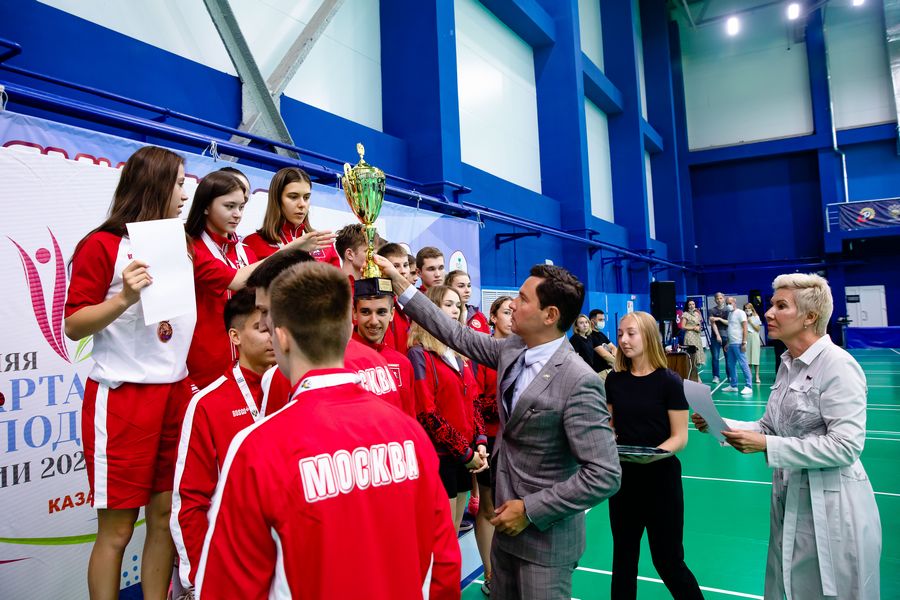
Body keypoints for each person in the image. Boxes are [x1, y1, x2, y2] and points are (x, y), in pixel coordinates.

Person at [194, 262, 461, 599]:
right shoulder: (411, 435)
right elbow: (443, 564)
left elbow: (229, 587)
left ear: (281, 337)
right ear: (349, 328)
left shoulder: (257, 449)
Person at [374, 254, 621, 599]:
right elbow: (455, 334)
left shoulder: (577, 380)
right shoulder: (514, 349)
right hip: (505, 533)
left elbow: (605, 474)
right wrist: (401, 285)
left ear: (550, 315)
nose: (513, 305)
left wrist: (530, 510)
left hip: (545, 543)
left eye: (523, 299)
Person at [694, 273, 881, 600]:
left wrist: (768, 446)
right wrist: (719, 423)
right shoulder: (788, 364)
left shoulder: (838, 366)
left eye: (781, 306)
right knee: (787, 586)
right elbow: (770, 426)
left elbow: (846, 446)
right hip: (790, 498)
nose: (768, 312)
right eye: (772, 304)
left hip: (833, 506)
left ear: (810, 317)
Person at [64, 146, 196, 600]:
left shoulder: (179, 244)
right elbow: (74, 324)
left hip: (175, 394)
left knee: (163, 519)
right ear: (155, 185)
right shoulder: (101, 245)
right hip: (123, 399)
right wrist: (123, 299)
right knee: (118, 531)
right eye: (179, 183)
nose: (184, 194)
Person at [170, 288, 288, 594]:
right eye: (262, 329)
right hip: (233, 566)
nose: (273, 337)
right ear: (235, 337)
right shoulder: (207, 405)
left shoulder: (296, 390)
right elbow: (189, 502)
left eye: (276, 327)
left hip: (289, 564)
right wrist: (203, 577)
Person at [605, 311, 703, 600]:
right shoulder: (614, 380)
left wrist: (652, 455)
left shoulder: (670, 382)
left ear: (648, 336)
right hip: (623, 481)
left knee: (668, 560)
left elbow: (680, 437)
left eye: (631, 333)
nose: (623, 340)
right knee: (623, 559)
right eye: (620, 334)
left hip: (661, 481)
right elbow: (610, 426)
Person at [407, 285, 487, 532]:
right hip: (441, 458)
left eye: (458, 306)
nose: (455, 311)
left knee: (454, 533)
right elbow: (427, 414)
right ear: (431, 310)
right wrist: (466, 453)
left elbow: (473, 402)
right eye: (448, 305)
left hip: (464, 456)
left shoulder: (459, 354)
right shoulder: (419, 354)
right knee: (443, 536)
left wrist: (480, 441)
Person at [184, 171, 258, 388]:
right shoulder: (190, 248)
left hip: (247, 367)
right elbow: (233, 280)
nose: (237, 214)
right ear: (206, 206)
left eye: (241, 207)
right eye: (229, 206)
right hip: (201, 369)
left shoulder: (247, 253)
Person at [473, 295, 513, 596]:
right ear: (493, 317)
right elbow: (475, 401)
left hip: (516, 444)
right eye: (506, 312)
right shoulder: (482, 355)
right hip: (489, 441)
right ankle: (490, 574)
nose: (512, 317)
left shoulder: (523, 353)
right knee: (489, 509)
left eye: (515, 311)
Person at [241, 166, 337, 265]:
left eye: (306, 197)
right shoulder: (252, 243)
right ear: (277, 199)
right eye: (293, 197)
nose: (302, 204)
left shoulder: (323, 243)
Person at [351, 282, 416, 416]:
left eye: (381, 312)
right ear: (354, 313)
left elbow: (409, 418)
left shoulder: (403, 363)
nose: (374, 321)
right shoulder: (340, 360)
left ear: (392, 314)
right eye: (365, 312)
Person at [376, 242, 412, 353]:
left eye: (405, 265)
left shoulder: (413, 302)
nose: (403, 271)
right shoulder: (378, 303)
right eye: (395, 266)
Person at [723, 296, 753, 395]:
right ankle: (733, 385)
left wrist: (744, 342)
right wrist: (728, 343)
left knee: (743, 364)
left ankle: (749, 386)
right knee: (730, 365)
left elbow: (745, 327)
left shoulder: (741, 313)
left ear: (734, 303)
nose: (728, 305)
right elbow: (731, 328)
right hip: (731, 344)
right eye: (727, 303)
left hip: (739, 343)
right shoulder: (730, 314)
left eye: (730, 303)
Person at [446, 269, 490, 333]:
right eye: (461, 286)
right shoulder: (442, 314)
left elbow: (487, 338)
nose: (467, 290)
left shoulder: (480, 316)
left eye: (469, 286)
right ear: (449, 288)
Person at [680, 299, 706, 381]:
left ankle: (695, 375)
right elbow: (682, 326)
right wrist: (693, 328)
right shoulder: (685, 314)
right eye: (690, 304)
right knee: (692, 356)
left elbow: (699, 325)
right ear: (687, 306)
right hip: (690, 336)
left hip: (697, 336)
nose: (692, 306)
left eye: (693, 304)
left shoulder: (697, 314)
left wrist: (699, 328)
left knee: (697, 355)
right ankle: (695, 376)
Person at [707, 292, 730, 384]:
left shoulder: (728, 310)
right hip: (715, 337)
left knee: (728, 358)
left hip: (727, 337)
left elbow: (729, 322)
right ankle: (716, 376)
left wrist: (719, 319)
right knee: (715, 357)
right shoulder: (711, 310)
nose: (719, 300)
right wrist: (717, 335)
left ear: (723, 299)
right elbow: (713, 324)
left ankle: (730, 376)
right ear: (715, 300)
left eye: (720, 298)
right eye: (717, 298)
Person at [588, 308, 616, 373]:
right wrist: (619, 363)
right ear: (592, 321)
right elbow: (604, 355)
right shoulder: (590, 335)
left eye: (603, 320)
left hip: (609, 369)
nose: (603, 322)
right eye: (600, 320)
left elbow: (613, 348)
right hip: (600, 372)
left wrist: (615, 356)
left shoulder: (601, 334)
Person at [744, 302, 762, 384]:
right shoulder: (743, 317)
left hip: (754, 336)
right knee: (748, 358)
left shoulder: (756, 317)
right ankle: (749, 375)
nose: (747, 310)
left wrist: (751, 322)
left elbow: (758, 329)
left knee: (755, 357)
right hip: (747, 337)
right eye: (746, 309)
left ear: (752, 309)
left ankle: (757, 376)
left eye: (749, 308)